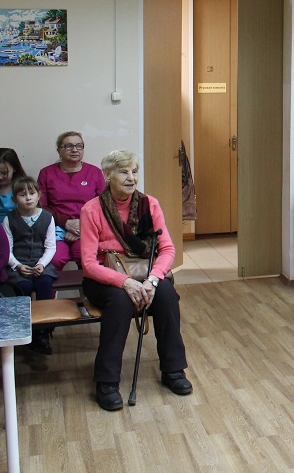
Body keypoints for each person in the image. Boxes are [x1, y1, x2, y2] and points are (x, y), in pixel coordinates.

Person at [80, 150, 191, 411]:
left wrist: (152, 280)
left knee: (166, 294)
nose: (131, 178)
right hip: (104, 278)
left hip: (144, 273)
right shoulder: (92, 209)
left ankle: (173, 370)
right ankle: (107, 382)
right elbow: (89, 264)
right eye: (123, 172)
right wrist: (124, 282)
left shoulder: (149, 204)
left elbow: (167, 249)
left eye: (134, 171)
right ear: (107, 175)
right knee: (120, 301)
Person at [4, 175, 58, 354]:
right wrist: (17, 265)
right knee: (23, 287)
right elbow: (7, 249)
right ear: (14, 199)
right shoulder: (9, 219)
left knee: (45, 283)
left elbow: (50, 246)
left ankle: (44, 331)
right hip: (19, 265)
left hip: (41, 263)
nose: (28, 198)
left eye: (32, 193)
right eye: (22, 195)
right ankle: (27, 329)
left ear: (38, 195)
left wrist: (41, 264)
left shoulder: (47, 217)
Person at [38, 131, 106, 270]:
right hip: (55, 228)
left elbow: (103, 206)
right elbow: (41, 206)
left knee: (86, 257)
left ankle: (88, 286)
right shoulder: (46, 173)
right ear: (59, 150)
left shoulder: (94, 172)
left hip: (87, 228)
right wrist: (66, 223)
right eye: (69, 146)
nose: (74, 150)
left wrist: (81, 225)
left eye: (79, 146)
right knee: (55, 259)